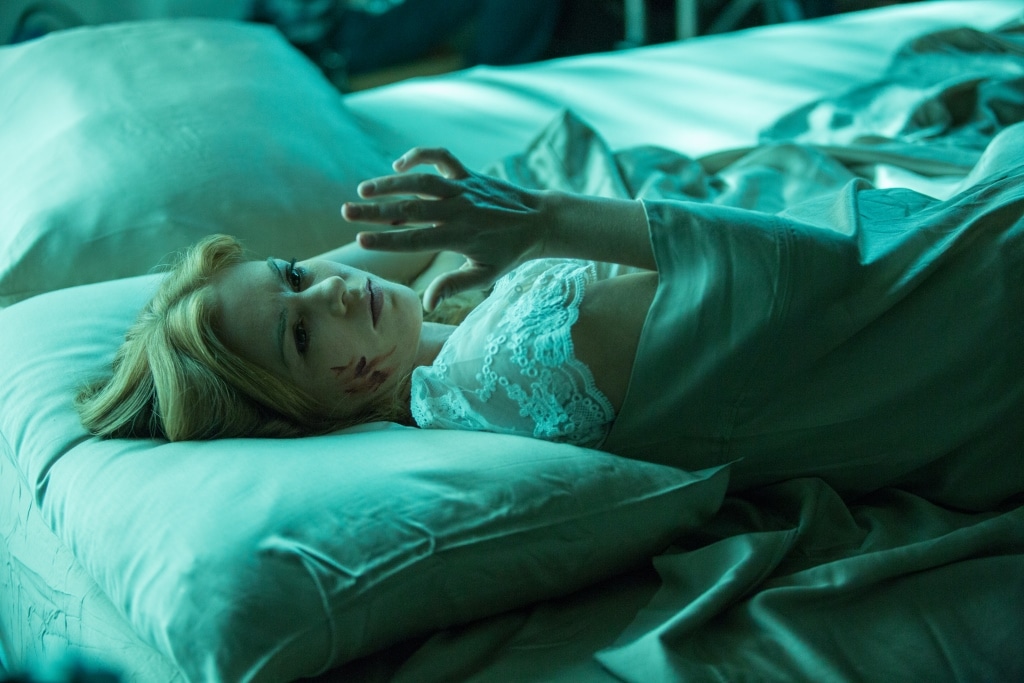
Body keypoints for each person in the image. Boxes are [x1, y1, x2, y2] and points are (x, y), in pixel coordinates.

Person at [77, 146, 1024, 503]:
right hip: (962, 308)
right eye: (297, 336)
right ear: (304, 413)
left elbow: (365, 264)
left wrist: (440, 219)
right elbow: (775, 285)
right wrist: (544, 218)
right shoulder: (503, 367)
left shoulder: (424, 341)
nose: (325, 293)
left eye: (293, 272)